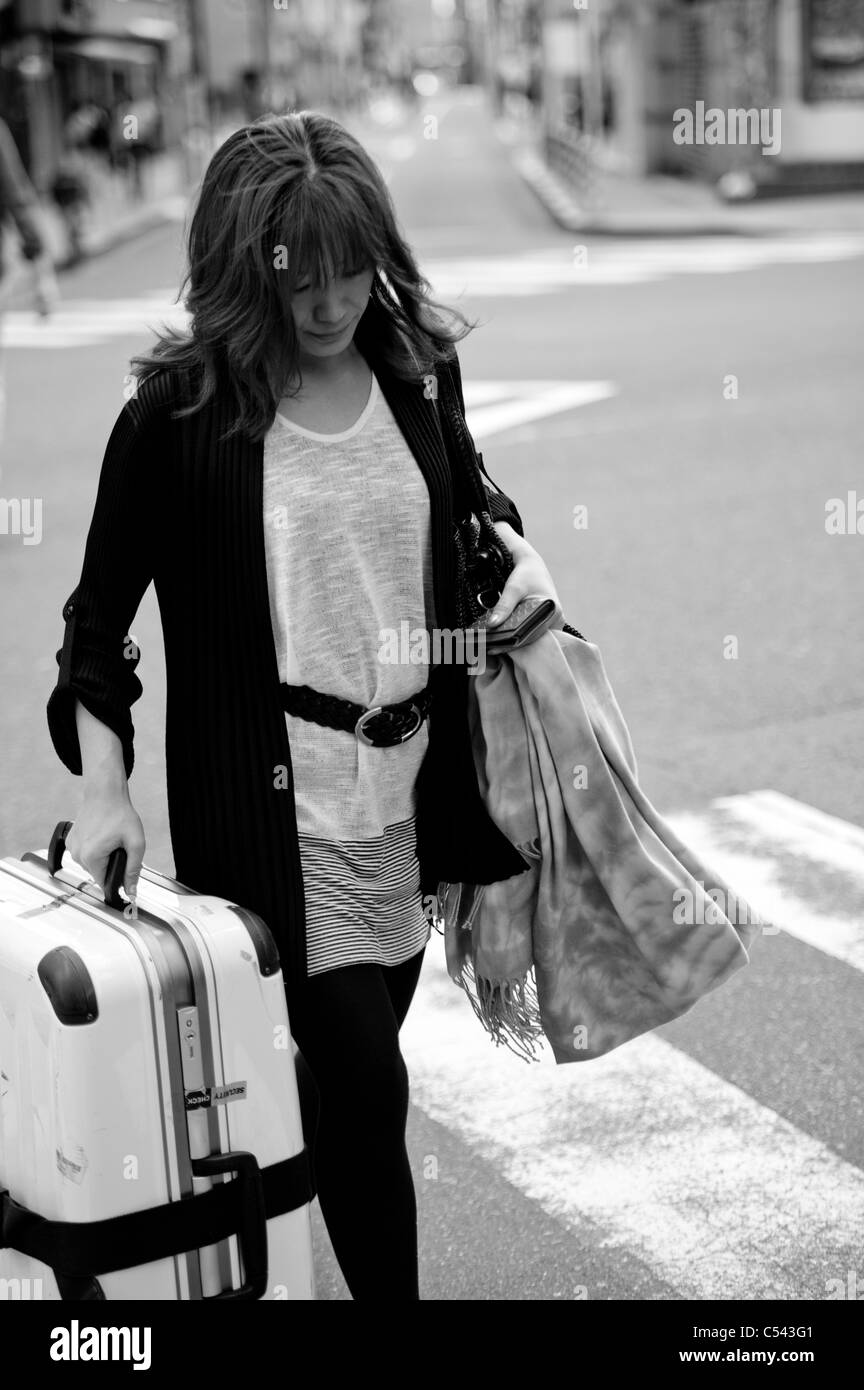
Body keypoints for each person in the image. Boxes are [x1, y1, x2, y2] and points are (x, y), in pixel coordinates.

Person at [45, 110, 563, 1300]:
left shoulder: (413, 370)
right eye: (303, 279)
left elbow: (472, 515)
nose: (331, 302)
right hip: (275, 811)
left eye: (352, 269)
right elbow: (95, 625)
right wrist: (107, 792)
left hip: (406, 803)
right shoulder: (180, 418)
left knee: (342, 1088)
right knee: (370, 1101)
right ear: (246, 270)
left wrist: (519, 561)